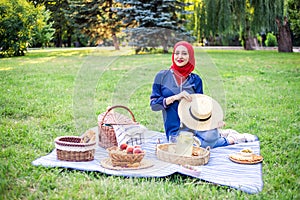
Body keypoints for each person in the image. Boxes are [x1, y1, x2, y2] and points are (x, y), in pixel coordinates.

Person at [150, 41, 256, 148]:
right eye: (176, 53)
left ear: (190, 56)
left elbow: (200, 107)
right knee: (185, 146)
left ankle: (214, 134)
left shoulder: (196, 80)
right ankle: (230, 139)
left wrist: (214, 121)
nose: (179, 57)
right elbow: (154, 105)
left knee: (211, 135)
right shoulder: (162, 76)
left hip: (195, 126)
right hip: (175, 132)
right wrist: (174, 97)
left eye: (184, 53)